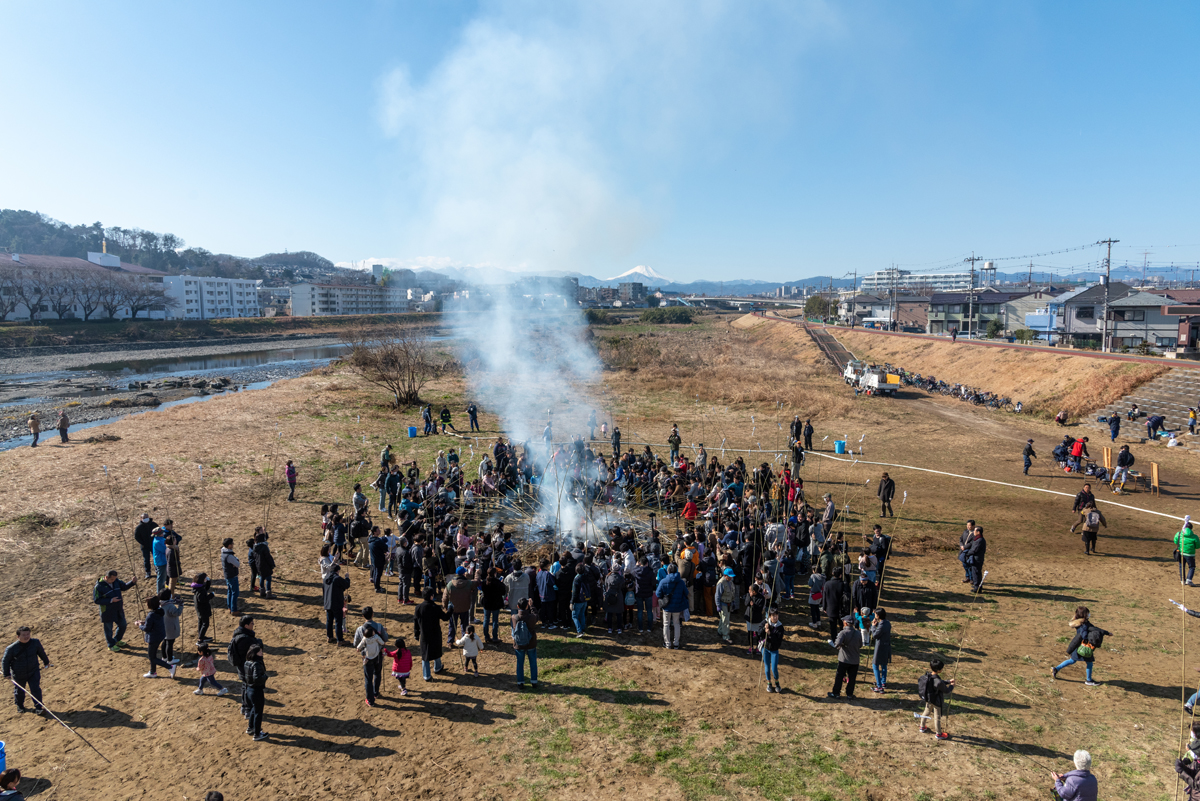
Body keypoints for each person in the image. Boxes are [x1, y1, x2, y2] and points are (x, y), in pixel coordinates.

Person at [1052, 606, 1109, 687]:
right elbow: (1086, 632)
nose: (1089, 614)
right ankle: (1089, 680)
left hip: (1077, 646)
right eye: (1088, 613)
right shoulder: (1084, 624)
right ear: (1085, 615)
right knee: (1089, 663)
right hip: (1084, 647)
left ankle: (1056, 669)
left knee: (1072, 660)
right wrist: (1086, 639)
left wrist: (1106, 632)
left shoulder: (1078, 623)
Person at [2, 626, 51, 715]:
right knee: (20, 691)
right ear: (18, 636)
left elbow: (41, 652)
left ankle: (38, 707)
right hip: (19, 673)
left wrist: (46, 662)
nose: (26, 636)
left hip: (34, 671)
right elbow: (5, 661)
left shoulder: (35, 642)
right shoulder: (11, 648)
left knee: (35, 689)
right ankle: (20, 705)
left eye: (28, 634)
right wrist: (6, 673)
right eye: (24, 635)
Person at [93, 570, 137, 652]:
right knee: (108, 630)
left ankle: (117, 640)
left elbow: (123, 587)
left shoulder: (116, 581)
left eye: (115, 578)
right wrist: (110, 600)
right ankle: (111, 645)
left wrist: (132, 582)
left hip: (118, 609)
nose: (114, 580)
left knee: (123, 625)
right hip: (107, 611)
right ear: (106, 577)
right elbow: (97, 600)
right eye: (112, 579)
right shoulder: (99, 586)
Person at [414, 588, 451, 680]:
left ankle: (427, 675)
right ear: (431, 596)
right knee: (436, 650)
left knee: (425, 654)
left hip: (424, 635)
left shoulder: (418, 608)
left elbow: (416, 621)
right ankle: (437, 667)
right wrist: (450, 609)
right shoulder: (435, 607)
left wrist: (416, 633)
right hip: (435, 634)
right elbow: (445, 618)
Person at [136, 597, 176, 679]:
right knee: (153, 655)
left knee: (152, 657)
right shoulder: (160, 611)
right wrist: (145, 622)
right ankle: (152, 672)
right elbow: (153, 623)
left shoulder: (151, 615)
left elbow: (147, 629)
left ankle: (170, 667)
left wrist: (139, 625)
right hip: (160, 635)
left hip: (153, 638)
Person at [916, 657, 953, 739]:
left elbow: (939, 682)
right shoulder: (938, 682)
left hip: (928, 699)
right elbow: (946, 690)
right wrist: (951, 686)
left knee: (926, 711)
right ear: (939, 670)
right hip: (936, 701)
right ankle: (938, 733)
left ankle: (922, 727)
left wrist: (948, 681)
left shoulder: (929, 676)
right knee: (937, 717)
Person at [827, 615, 861, 699]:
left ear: (845, 623)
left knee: (839, 676)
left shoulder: (843, 633)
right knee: (852, 678)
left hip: (844, 659)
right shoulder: (858, 633)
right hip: (855, 659)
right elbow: (860, 645)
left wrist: (840, 646)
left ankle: (836, 693)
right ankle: (849, 694)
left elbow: (837, 644)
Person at [656, 563, 689, 649]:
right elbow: (686, 593)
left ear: (668, 571)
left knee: (666, 624)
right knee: (676, 623)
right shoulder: (681, 582)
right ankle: (676, 643)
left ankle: (667, 643)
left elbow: (658, 593)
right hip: (677, 606)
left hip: (666, 606)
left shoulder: (663, 581)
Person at [357, 622, 386, 707]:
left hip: (368, 658)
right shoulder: (376, 636)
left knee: (368, 679)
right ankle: (375, 693)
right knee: (377, 673)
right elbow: (382, 642)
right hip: (377, 657)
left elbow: (358, 645)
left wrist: (358, 649)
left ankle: (370, 700)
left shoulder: (365, 639)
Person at [243, 644, 269, 740]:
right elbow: (257, 678)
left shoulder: (247, 663)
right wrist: (265, 677)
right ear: (255, 653)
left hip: (249, 690)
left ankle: (251, 728)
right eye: (260, 652)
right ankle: (257, 734)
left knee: (254, 709)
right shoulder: (257, 664)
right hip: (256, 691)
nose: (262, 653)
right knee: (258, 712)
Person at [513, 597, 539, 688]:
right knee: (533, 662)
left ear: (517, 606)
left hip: (519, 644)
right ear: (527, 606)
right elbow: (536, 616)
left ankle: (520, 682)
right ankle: (534, 681)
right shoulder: (531, 617)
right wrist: (532, 606)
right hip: (531, 643)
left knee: (520, 663)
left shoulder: (514, 617)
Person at [323, 564, 351, 644]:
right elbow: (346, 585)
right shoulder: (337, 578)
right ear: (337, 571)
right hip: (336, 603)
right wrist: (347, 577)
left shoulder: (325, 579)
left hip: (328, 603)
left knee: (329, 621)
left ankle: (329, 637)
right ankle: (340, 640)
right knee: (338, 621)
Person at [762, 608, 784, 693]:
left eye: (776, 615)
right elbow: (759, 634)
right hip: (765, 648)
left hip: (774, 650)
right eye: (773, 616)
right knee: (767, 667)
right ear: (769, 616)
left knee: (774, 668)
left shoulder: (780, 627)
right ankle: (769, 683)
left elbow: (778, 641)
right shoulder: (765, 623)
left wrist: (770, 634)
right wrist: (764, 629)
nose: (775, 617)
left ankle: (777, 683)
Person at [870, 608, 891, 692]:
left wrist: (873, 626)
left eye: (875, 614)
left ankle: (879, 687)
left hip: (880, 647)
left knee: (875, 665)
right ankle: (883, 682)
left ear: (878, 616)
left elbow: (875, 635)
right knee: (883, 665)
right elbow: (882, 630)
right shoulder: (887, 623)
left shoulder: (881, 625)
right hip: (886, 646)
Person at [715, 567, 736, 644]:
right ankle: (725, 636)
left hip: (729, 604)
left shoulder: (730, 582)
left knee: (723, 619)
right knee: (725, 620)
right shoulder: (721, 583)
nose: (731, 577)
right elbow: (717, 595)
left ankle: (720, 631)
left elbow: (732, 592)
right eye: (730, 576)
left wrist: (733, 602)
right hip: (723, 604)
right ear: (725, 575)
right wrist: (718, 605)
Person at [220, 538, 241, 616]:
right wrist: (236, 560)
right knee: (235, 593)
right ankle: (234, 609)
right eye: (232, 544)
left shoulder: (223, 553)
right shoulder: (229, 556)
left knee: (230, 591)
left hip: (227, 575)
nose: (233, 545)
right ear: (229, 545)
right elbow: (237, 564)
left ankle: (229, 607)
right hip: (232, 576)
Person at [133, 513, 156, 578]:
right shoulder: (139, 527)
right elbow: (136, 536)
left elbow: (158, 532)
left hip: (153, 544)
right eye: (144, 518)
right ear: (141, 519)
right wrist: (142, 543)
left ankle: (157, 570)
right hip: (144, 546)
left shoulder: (153, 524)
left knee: (155, 557)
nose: (146, 518)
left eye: (146, 517)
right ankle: (148, 572)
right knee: (146, 559)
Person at [964, 526, 986, 593]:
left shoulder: (980, 540)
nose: (973, 532)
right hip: (975, 559)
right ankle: (977, 586)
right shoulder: (978, 539)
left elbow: (974, 550)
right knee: (976, 573)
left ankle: (977, 588)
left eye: (975, 531)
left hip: (977, 560)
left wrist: (967, 553)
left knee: (976, 573)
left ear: (978, 532)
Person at [1178, 522, 1200, 587]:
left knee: (1182, 566)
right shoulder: (1195, 537)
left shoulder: (1179, 534)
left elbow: (1176, 541)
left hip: (1181, 553)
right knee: (1192, 567)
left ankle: (1182, 580)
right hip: (1190, 555)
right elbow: (1198, 546)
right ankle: (1189, 580)